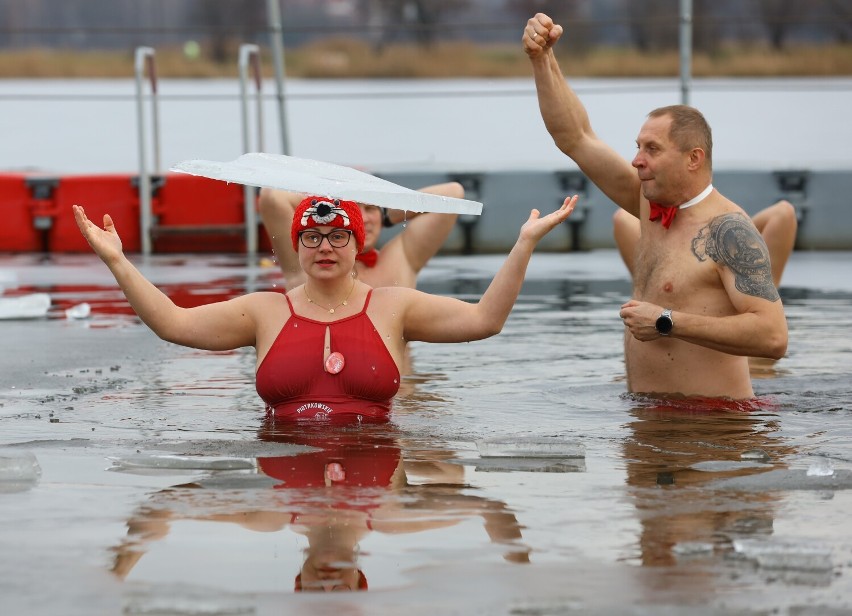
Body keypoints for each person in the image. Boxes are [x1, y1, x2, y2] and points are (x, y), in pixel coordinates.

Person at [72, 191, 578, 422]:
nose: (325, 247)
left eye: (338, 236)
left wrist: (523, 245)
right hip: (284, 453)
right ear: (297, 248)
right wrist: (118, 262)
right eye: (311, 237)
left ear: (359, 246)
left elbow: (484, 321)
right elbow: (173, 324)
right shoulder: (263, 312)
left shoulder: (394, 305)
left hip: (376, 459)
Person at [523, 13, 788, 401]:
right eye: (637, 147)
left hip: (714, 433)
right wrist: (542, 59)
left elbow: (773, 336)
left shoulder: (728, 230)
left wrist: (666, 321)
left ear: (693, 158)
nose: (636, 161)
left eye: (652, 149)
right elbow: (575, 137)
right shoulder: (647, 204)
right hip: (647, 421)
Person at [257, 182, 465, 290]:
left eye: (371, 208)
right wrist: (328, 209)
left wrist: (388, 213)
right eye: (355, 209)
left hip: (403, 374)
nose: (364, 218)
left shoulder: (402, 258)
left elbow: (453, 194)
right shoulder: (310, 262)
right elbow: (272, 196)